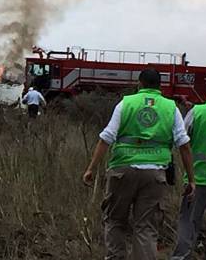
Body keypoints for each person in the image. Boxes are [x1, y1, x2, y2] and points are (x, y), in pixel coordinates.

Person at [82, 68, 195, 260]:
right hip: (156, 174)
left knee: (115, 221)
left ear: (139, 83)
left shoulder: (125, 104)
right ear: (160, 86)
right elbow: (183, 145)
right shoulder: (170, 107)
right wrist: (191, 179)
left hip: (122, 170)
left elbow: (106, 138)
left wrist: (91, 168)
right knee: (146, 227)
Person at [172, 79, 206, 260]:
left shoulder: (197, 111)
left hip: (198, 177)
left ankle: (181, 257)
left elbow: (182, 140)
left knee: (189, 222)